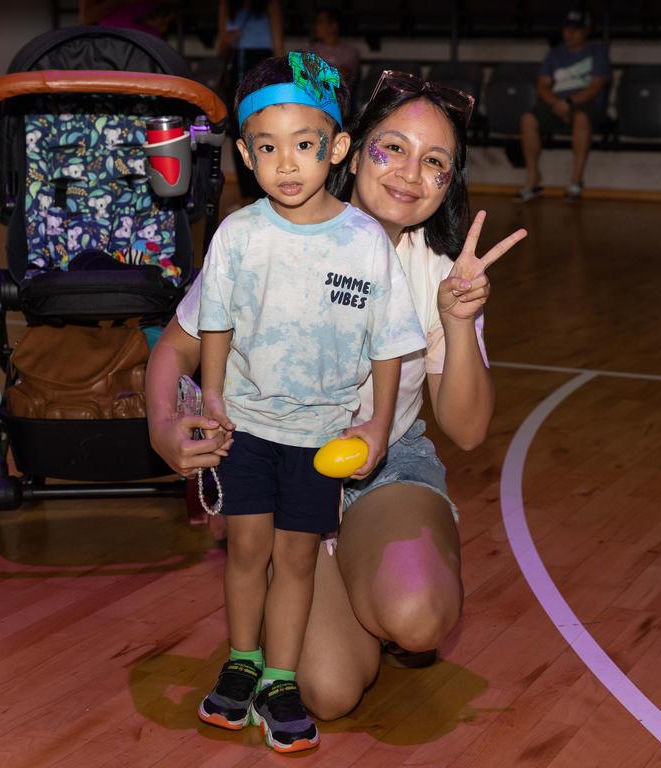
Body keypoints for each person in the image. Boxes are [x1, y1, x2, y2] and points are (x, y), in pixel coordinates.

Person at [145, 69, 527, 721]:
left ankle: (373, 582)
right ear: (349, 149)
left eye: (435, 161)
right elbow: (174, 348)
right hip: (281, 454)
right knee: (326, 690)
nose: (410, 172)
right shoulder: (264, 236)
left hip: (383, 462)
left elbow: (465, 431)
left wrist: (459, 324)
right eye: (393, 148)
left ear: (449, 181)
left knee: (417, 616)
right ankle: (322, 577)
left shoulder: (440, 273)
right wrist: (162, 423)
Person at [194, 51, 426, 754]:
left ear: (339, 148)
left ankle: (281, 677)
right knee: (246, 549)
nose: (286, 165)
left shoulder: (362, 242)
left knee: (296, 557)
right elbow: (215, 322)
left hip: (322, 436)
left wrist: (379, 422)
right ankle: (242, 660)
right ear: (244, 152)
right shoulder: (239, 235)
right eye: (267, 148)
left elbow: (390, 343)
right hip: (249, 423)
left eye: (304, 146)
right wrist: (209, 395)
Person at [516, 7, 609, 202]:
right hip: (556, 103)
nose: (570, 33)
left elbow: (595, 86)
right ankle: (533, 179)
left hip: (585, 104)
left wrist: (569, 103)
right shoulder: (554, 54)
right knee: (528, 119)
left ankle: (575, 181)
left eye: (576, 29)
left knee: (582, 118)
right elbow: (542, 86)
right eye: (567, 29)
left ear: (586, 31)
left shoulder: (597, 53)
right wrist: (557, 103)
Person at [218, 0, 283, 201]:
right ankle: (246, 195)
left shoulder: (270, 4)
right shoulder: (227, 5)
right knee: (240, 128)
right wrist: (229, 39)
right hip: (237, 65)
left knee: (266, 125)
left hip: (262, 64)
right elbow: (221, 47)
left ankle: (266, 191)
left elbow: (278, 45)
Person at [308, 7, 360, 92]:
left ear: (334, 26)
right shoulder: (311, 50)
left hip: (341, 99)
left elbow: (342, 77)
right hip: (314, 98)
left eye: (320, 22)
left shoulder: (350, 51)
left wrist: (317, 70)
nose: (316, 26)